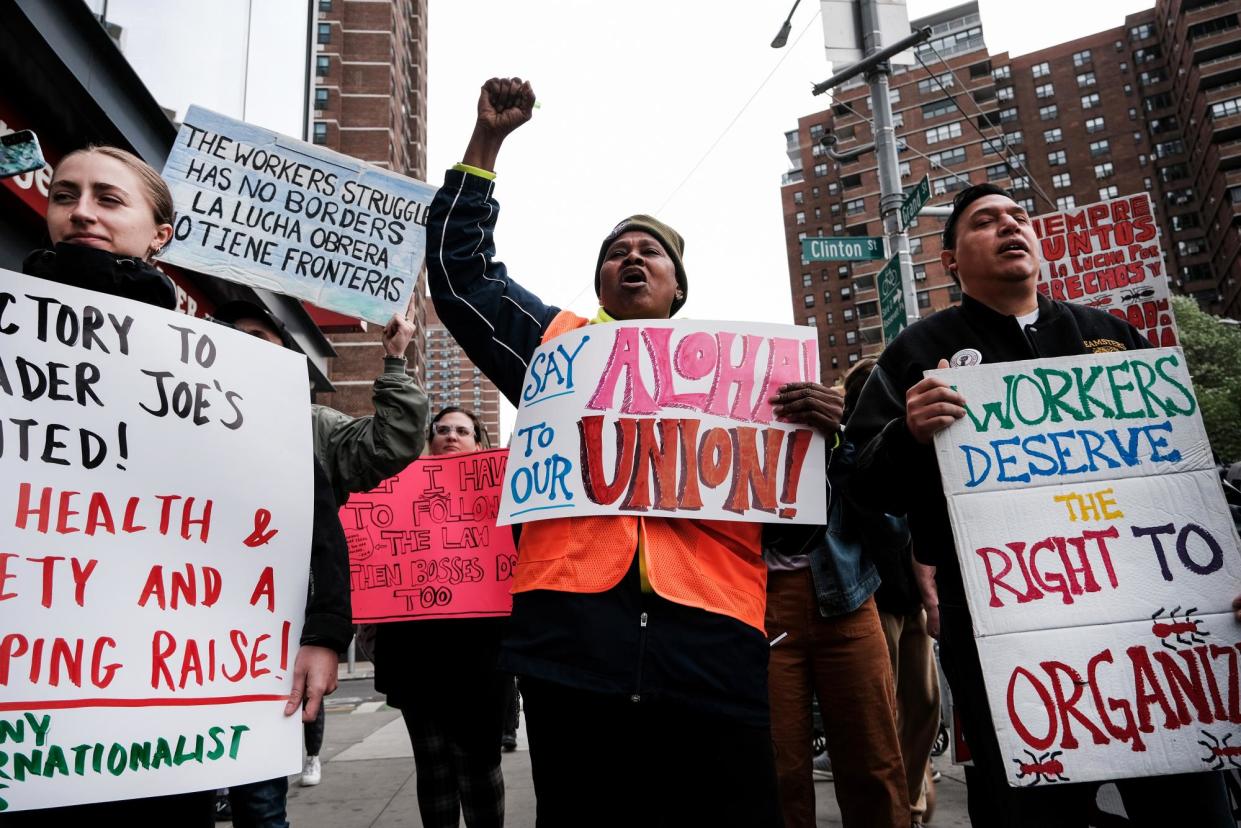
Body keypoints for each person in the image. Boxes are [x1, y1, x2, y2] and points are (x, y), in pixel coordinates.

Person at [426, 76, 844, 828]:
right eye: (615, 251)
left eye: (649, 250)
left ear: (677, 286)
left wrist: (823, 441)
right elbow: (462, 278)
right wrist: (486, 143)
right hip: (570, 642)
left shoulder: (750, 383)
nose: (631, 258)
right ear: (598, 283)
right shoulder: (555, 347)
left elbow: (793, 534)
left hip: (713, 643)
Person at [846, 182, 1235, 827]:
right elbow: (862, 484)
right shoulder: (915, 355)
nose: (1008, 226)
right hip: (1005, 623)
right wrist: (906, 436)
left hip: (1153, 614)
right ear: (948, 260)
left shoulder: (1114, 339)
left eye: (1018, 217)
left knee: (1186, 796)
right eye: (984, 221)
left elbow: (1188, 474)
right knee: (1029, 803)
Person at [9, 145, 352, 825]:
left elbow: (305, 509)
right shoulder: (9, 329)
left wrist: (324, 631)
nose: (82, 213)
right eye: (64, 195)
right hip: (29, 690)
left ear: (159, 233)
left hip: (168, 706)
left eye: (109, 199)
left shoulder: (221, 369)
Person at [210, 300, 427, 821]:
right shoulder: (165, 408)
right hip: (174, 621)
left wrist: (394, 361)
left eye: (261, 335)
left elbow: (390, 442)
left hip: (266, 635)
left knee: (260, 803)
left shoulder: (313, 427)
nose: (247, 342)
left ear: (286, 354)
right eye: (233, 334)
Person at [761, 375, 911, 828]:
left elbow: (893, 525)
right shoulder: (726, 447)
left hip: (848, 602)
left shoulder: (842, 436)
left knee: (873, 762)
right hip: (761, 608)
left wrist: (839, 441)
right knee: (780, 771)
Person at [372, 406, 511, 828]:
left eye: (463, 431)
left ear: (480, 444)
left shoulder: (503, 497)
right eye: (443, 429)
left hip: (482, 659)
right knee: (433, 768)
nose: (451, 436)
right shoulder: (395, 491)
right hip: (417, 658)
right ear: (429, 440)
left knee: (479, 766)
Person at [843, 358, 940, 828]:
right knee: (883, 712)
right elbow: (883, 526)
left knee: (924, 704)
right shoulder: (856, 454)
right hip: (872, 596)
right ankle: (903, 806)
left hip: (914, 600)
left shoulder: (920, 443)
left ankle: (913, 792)